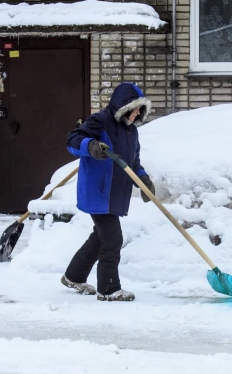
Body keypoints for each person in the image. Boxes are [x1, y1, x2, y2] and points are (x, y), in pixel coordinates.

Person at [61, 82, 155, 301]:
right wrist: (91, 146)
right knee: (113, 239)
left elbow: (133, 162)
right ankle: (109, 288)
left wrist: (143, 180)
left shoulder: (131, 132)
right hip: (99, 191)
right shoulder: (99, 121)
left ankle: (73, 276)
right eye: (133, 110)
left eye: (139, 111)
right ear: (122, 106)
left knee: (101, 237)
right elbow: (72, 141)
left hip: (115, 194)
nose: (136, 115)